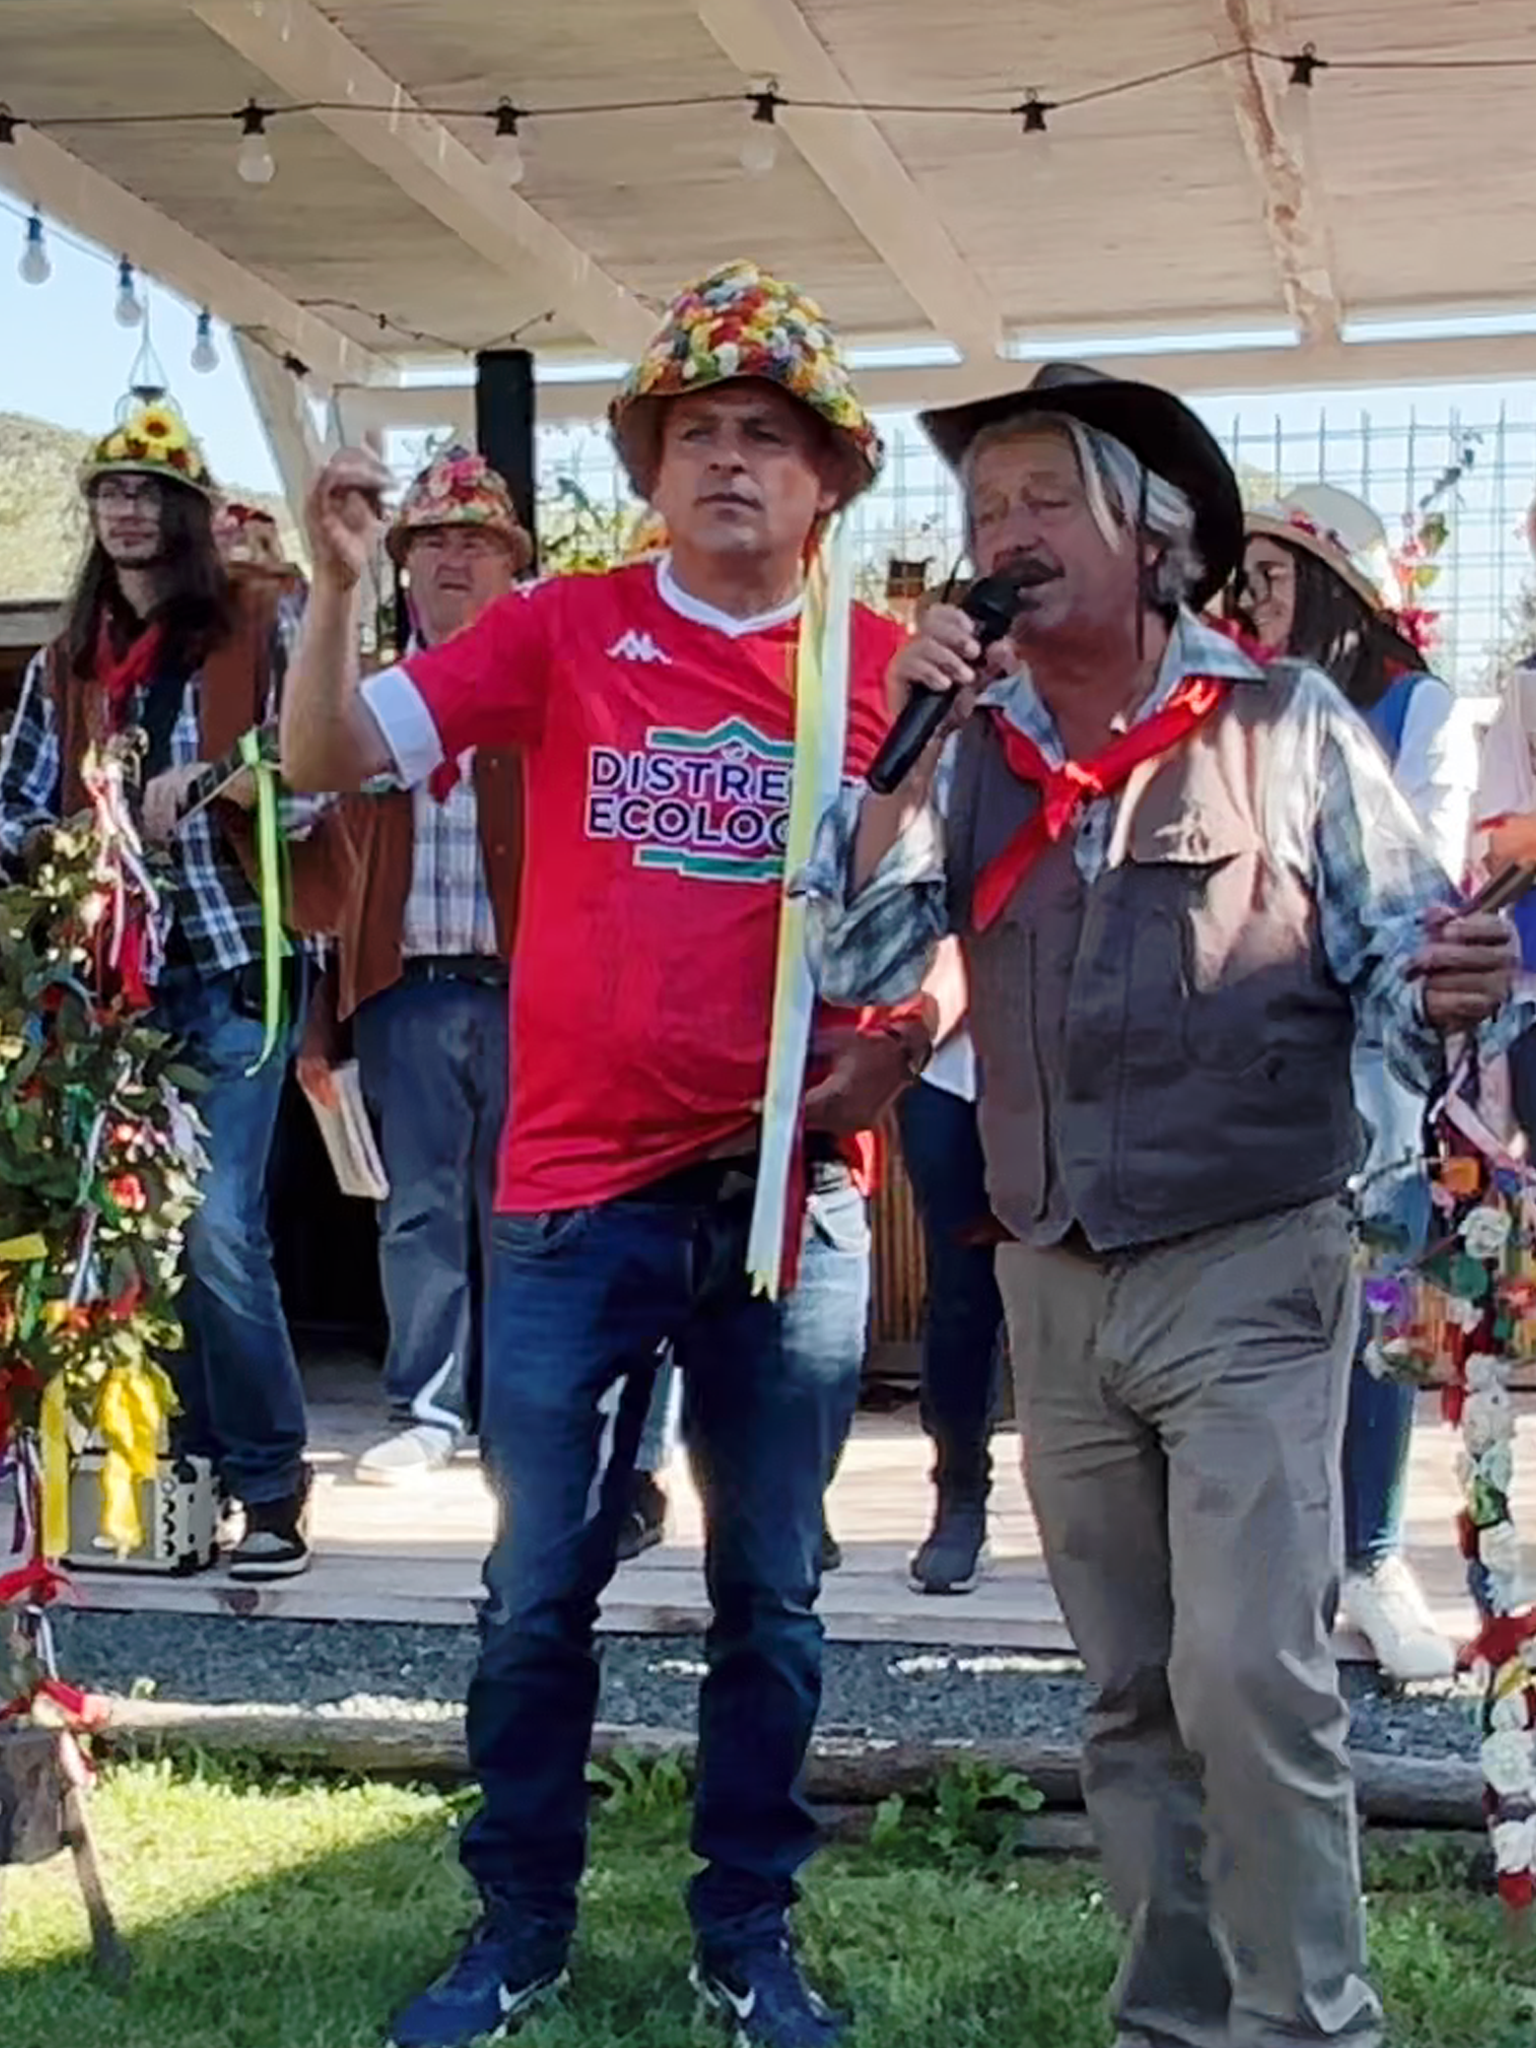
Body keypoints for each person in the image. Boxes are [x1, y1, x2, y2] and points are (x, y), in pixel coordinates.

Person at [800, 361, 1518, 2048]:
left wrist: (1454, 984)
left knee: (1249, 1673)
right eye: (986, 506)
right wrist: (900, 756)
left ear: (1154, 536)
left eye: (1046, 499)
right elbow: (855, 952)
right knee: (1129, 1688)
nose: (1006, 532)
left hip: (1253, 1261)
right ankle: (1174, 2019)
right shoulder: (968, 742)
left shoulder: (1288, 726)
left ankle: (1307, 2023)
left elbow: (1400, 970)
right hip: (1054, 1279)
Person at [280, 262, 948, 2048]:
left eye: (769, 435)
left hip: (789, 1208)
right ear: (649, 466)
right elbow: (328, 752)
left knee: (774, 1595)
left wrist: (908, 1030)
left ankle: (752, 1932)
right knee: (533, 1592)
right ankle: (518, 1925)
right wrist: (339, 591)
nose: (731, 460)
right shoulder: (564, 628)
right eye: (697, 429)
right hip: (572, 1199)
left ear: (828, 480)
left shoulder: (879, 673)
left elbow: (943, 918)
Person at [0, 400, 348, 1580]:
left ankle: (273, 1481)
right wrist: (47, 849)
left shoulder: (259, 620)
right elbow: (17, 804)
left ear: (190, 514)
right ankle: (184, 1479)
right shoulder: (68, 662)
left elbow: (325, 768)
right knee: (133, 1234)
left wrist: (233, 781)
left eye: (152, 492)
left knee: (217, 1223)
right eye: (112, 491)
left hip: (237, 961)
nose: (129, 510)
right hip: (110, 994)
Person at [1238, 485, 1477, 1684]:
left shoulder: (1416, 708)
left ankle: (1374, 1555)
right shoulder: (1228, 703)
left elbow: (1419, 877)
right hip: (1250, 1059)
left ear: (1337, 591)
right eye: (1244, 582)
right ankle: (1268, 1568)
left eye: (1274, 577)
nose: (1251, 603)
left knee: (1381, 1298)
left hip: (1370, 1062)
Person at [301, 448, 530, 1482]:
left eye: (477, 541)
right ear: (402, 564)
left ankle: (524, 1407)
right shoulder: (367, 701)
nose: (453, 560)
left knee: (528, 1207)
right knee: (418, 1209)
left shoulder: (544, 693)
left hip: (530, 989)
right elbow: (300, 818)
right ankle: (429, 1410)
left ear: (513, 564)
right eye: (433, 540)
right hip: (404, 990)